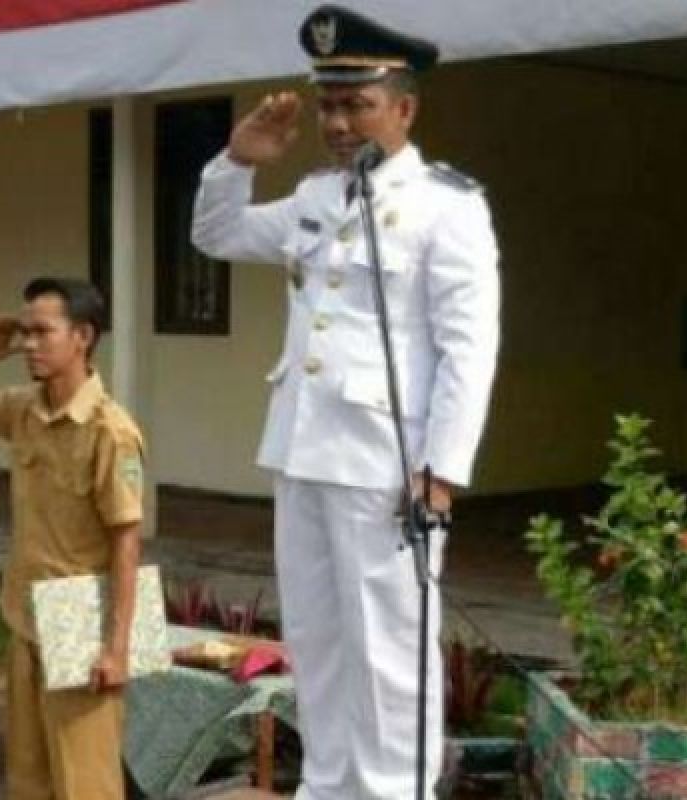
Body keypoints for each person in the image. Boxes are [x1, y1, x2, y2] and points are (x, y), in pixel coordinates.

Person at [190, 5, 500, 798]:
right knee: (320, 643)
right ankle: (328, 788)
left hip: (388, 468)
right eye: (329, 104)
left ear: (404, 107)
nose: (336, 122)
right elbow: (215, 236)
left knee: (390, 653)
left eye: (355, 104)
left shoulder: (447, 206)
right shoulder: (315, 197)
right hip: (302, 449)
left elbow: (470, 345)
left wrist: (443, 473)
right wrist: (237, 159)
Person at [0, 277, 144, 800]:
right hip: (24, 609)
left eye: (42, 332)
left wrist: (116, 649)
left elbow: (127, 541)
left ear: (83, 337)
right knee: (28, 780)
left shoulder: (110, 431)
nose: (29, 344)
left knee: (85, 783)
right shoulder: (25, 408)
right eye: (24, 332)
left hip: (80, 613)